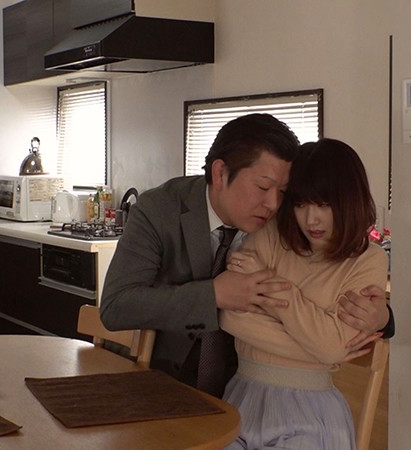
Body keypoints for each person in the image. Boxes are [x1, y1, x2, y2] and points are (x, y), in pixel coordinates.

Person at [100, 114, 393, 398]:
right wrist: (213, 295)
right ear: (220, 173)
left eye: (283, 191)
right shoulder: (160, 209)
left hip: (239, 391)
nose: (273, 203)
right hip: (156, 382)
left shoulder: (285, 221)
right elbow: (116, 306)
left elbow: (329, 282)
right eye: (263, 187)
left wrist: (384, 318)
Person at [219, 138, 389, 450]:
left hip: (309, 416)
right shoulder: (271, 234)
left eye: (324, 205)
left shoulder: (368, 260)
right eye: (301, 204)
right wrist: (322, 350)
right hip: (240, 401)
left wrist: (272, 290)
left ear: (348, 200)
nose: (311, 219)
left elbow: (333, 346)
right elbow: (231, 316)